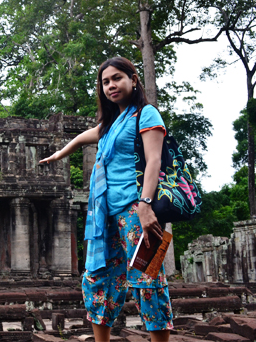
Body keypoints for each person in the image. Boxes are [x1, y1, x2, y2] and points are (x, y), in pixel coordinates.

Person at [39, 57, 173, 342]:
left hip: (136, 210)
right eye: (105, 82)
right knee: (98, 279)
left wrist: (146, 205)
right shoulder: (111, 124)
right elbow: (84, 137)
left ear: (133, 80)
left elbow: (154, 161)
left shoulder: (146, 114)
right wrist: (59, 155)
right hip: (104, 215)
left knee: (148, 280)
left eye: (117, 78)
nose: (111, 85)